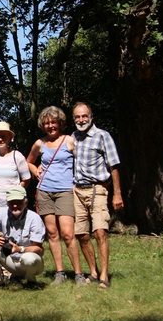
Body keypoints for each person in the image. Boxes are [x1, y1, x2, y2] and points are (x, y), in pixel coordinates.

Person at [26, 106, 85, 286]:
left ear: (60, 123)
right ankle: (60, 273)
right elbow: (28, 161)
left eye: (53, 122)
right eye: (46, 123)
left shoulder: (69, 140)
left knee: (68, 234)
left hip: (65, 191)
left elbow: (82, 161)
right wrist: (36, 171)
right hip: (45, 191)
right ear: (42, 125)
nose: (50, 126)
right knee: (52, 233)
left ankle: (78, 274)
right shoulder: (39, 143)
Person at [72, 102, 124, 289]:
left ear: (91, 116)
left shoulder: (103, 136)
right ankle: (93, 272)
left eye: (84, 116)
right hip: (77, 190)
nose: (81, 120)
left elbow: (114, 166)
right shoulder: (73, 138)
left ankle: (104, 276)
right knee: (81, 234)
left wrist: (116, 194)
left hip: (98, 189)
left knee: (100, 232)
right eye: (77, 117)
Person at [0, 121, 31, 284]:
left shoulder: (17, 156)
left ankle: (14, 271)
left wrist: (16, 195)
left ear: (9, 138)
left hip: (12, 207)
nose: (0, 139)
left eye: (4, 136)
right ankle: (0, 274)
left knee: (12, 238)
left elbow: (26, 179)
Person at [0, 185, 45, 287]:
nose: (15, 206)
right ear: (7, 203)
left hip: (29, 260)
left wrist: (20, 249)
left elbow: (39, 249)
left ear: (25, 202)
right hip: (9, 259)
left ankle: (31, 281)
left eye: (18, 202)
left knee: (30, 259)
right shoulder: (2, 213)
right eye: (12, 202)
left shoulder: (34, 218)